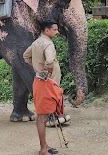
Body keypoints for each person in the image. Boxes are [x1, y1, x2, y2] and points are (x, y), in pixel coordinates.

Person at [23, 19, 64, 155]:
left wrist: (37, 68)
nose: (57, 32)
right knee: (42, 117)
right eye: (55, 30)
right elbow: (50, 60)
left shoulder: (36, 43)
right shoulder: (48, 44)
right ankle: (43, 149)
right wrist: (47, 69)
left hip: (40, 82)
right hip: (47, 83)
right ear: (47, 30)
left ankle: (45, 145)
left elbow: (26, 56)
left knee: (43, 115)